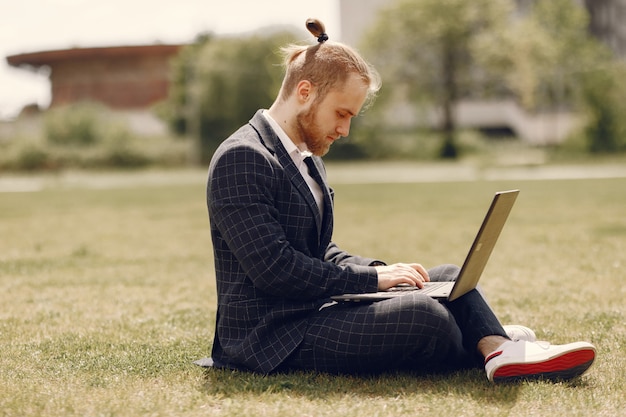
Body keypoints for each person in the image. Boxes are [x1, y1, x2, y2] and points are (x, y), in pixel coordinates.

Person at [200, 19, 596, 382]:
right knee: (423, 315)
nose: (345, 129)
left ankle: (498, 348)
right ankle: (486, 339)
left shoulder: (308, 159)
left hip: (312, 312)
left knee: (446, 276)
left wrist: (386, 271)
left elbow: (320, 251)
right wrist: (373, 280)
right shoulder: (243, 158)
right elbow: (275, 270)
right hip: (273, 336)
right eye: (341, 113)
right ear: (305, 92)